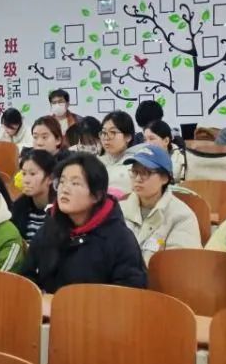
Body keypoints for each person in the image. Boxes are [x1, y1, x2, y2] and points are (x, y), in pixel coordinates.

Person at [21, 153, 146, 293]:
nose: (64, 189)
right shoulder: (49, 228)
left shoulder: (120, 239)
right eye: (62, 182)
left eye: (75, 183)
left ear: (96, 195)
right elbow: (27, 277)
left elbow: (130, 294)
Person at [120, 145, 201, 265]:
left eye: (145, 173)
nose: (138, 179)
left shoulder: (182, 216)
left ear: (165, 178)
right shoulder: (118, 210)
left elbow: (181, 265)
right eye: (134, 172)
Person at [10, 149, 56, 242]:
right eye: (24, 173)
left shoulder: (61, 209)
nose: (26, 180)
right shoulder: (18, 206)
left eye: (32, 174)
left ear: (50, 178)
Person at [98, 111, 136, 193]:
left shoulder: (135, 164)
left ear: (128, 137)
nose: (106, 138)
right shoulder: (95, 162)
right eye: (104, 132)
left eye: (113, 132)